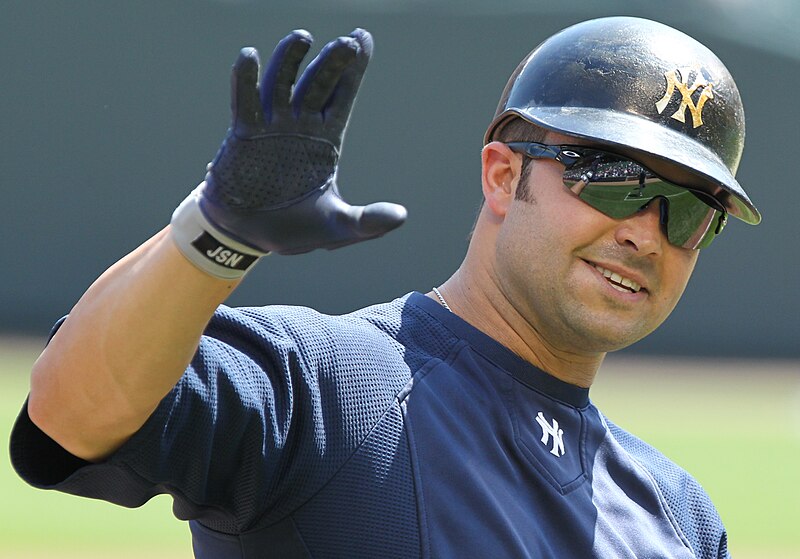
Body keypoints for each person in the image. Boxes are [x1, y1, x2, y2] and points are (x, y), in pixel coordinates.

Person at [10, 16, 760, 559]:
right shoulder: (334, 385)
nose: (646, 232)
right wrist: (215, 233)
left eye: (690, 210)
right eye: (616, 182)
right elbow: (68, 414)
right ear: (504, 175)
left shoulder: (681, 517)